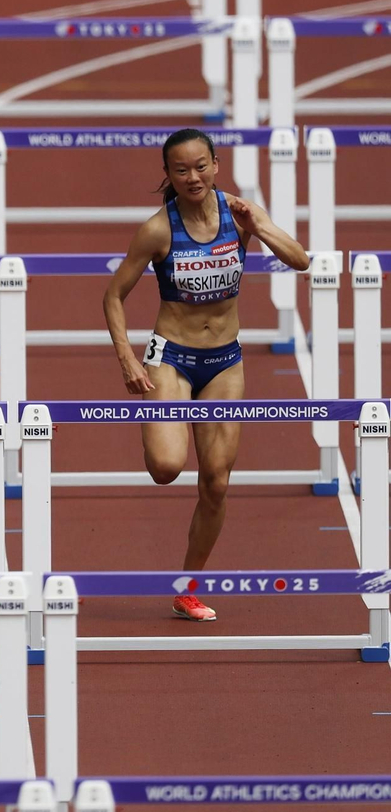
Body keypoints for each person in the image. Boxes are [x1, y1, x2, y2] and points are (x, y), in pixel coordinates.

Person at [103, 128, 310, 622]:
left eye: (201, 166)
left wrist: (257, 224)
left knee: (216, 482)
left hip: (224, 362)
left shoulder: (240, 217)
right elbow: (113, 296)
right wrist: (129, 360)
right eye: (180, 170)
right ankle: (159, 428)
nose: (192, 177)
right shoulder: (158, 230)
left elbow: (301, 260)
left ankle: (187, 588)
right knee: (167, 468)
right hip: (170, 357)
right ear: (168, 176)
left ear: (216, 164)